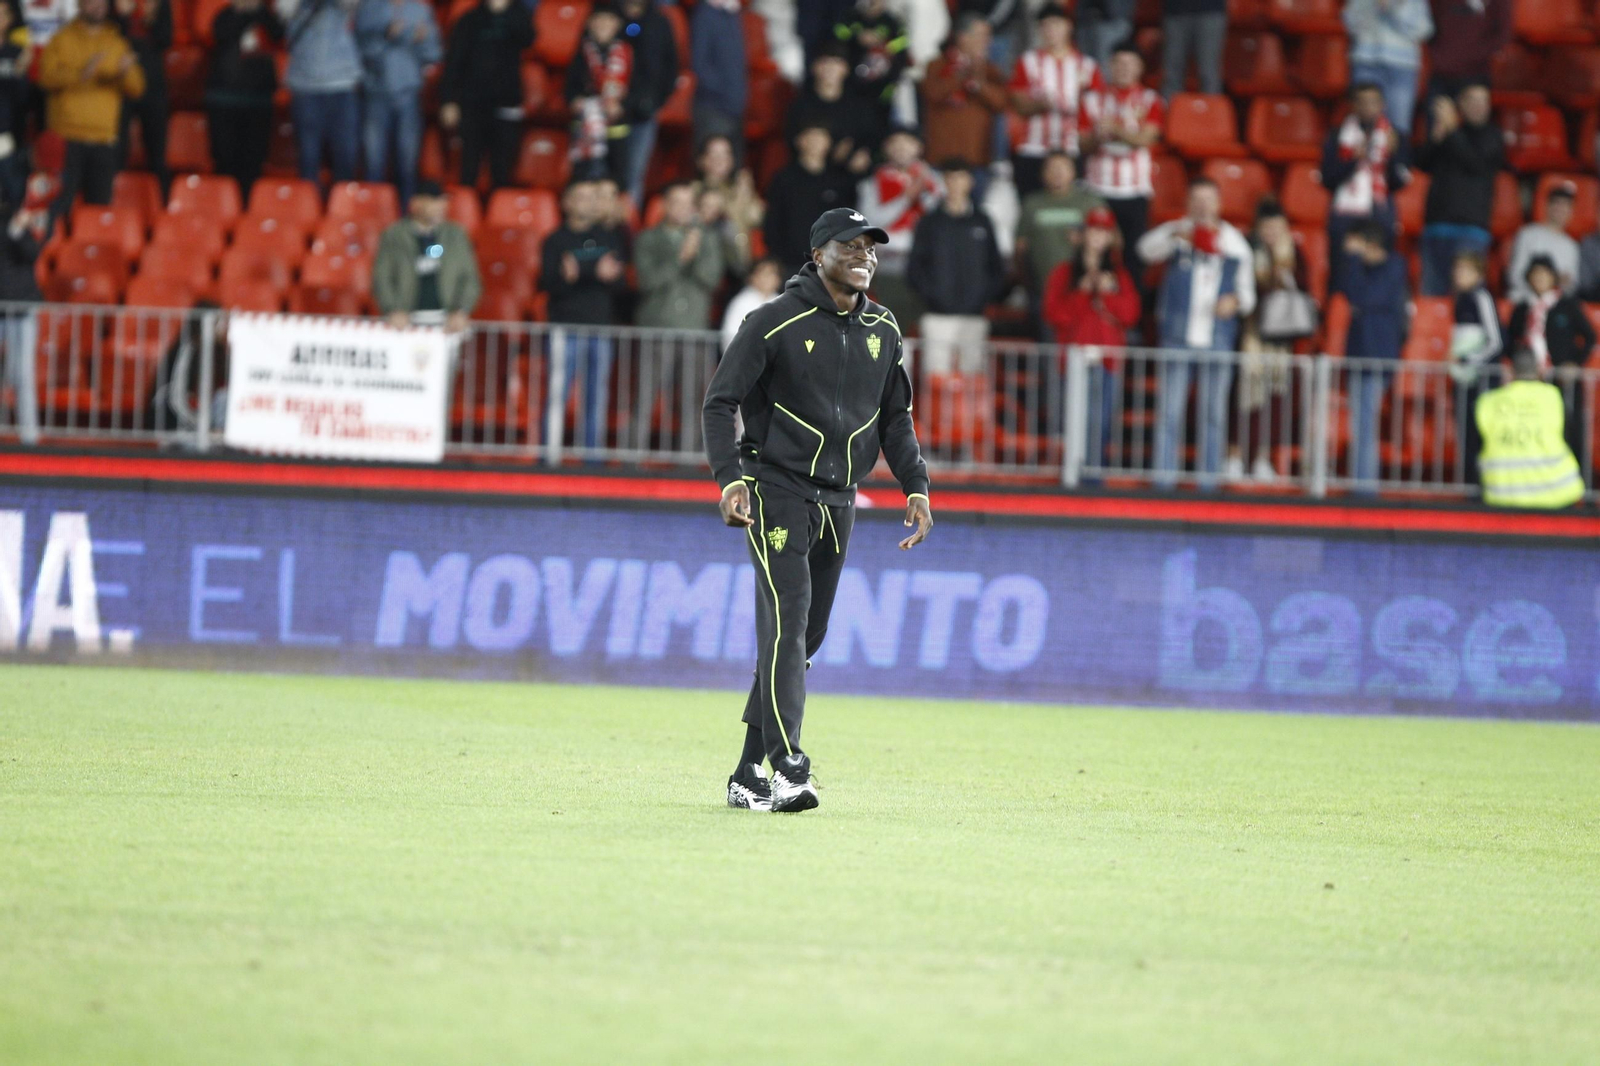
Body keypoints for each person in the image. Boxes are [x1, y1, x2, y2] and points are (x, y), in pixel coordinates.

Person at [701, 206, 932, 813]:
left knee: (803, 637)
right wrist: (730, 480)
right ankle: (787, 767)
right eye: (850, 245)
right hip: (776, 491)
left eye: (871, 248)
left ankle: (746, 770)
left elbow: (896, 418)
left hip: (841, 500)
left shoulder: (884, 327)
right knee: (788, 616)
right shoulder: (772, 321)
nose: (864, 255)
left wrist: (915, 485)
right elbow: (719, 402)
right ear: (818, 254)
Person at [1137, 176, 1255, 488]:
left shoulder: (1233, 241)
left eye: (1208, 200)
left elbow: (1248, 294)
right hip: (1177, 334)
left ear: (1219, 204)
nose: (1203, 206)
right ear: (1189, 203)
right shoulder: (1176, 233)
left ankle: (1208, 481)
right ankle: (1163, 478)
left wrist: (1235, 301)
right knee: (1169, 412)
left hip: (1217, 337)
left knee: (1213, 414)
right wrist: (1177, 233)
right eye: (1197, 199)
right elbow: (1146, 250)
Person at [1041, 206, 1139, 464]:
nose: (1097, 237)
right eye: (1093, 230)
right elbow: (1053, 313)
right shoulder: (1064, 272)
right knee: (1071, 422)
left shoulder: (1119, 275)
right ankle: (1071, 475)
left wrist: (1107, 293)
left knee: (1102, 423)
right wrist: (1083, 293)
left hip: (1106, 359)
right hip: (1072, 359)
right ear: (1084, 235)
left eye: (1103, 232)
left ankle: (1093, 477)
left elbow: (1130, 315)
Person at [539, 178, 628, 451]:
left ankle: (593, 460)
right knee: (558, 395)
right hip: (564, 328)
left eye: (592, 197)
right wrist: (593, 273)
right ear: (566, 202)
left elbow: (619, 283)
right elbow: (547, 283)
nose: (587, 203)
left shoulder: (609, 237)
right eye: (580, 197)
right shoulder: (555, 240)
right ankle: (549, 457)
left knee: (596, 397)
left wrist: (579, 273)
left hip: (600, 329)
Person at [36, 0, 145, 213]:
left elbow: (138, 88)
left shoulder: (115, 43)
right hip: (67, 138)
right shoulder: (61, 39)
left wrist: (125, 74)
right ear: (80, 4)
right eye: (92, 1)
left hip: (103, 139)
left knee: (99, 207)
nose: (98, 6)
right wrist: (81, 74)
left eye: (102, 2)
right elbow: (44, 78)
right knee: (60, 206)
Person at [1231, 199, 1310, 482]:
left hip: (1280, 340)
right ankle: (1236, 456)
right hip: (1252, 335)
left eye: (1277, 227)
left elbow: (1305, 291)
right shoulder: (1247, 250)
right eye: (1266, 228)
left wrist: (1285, 277)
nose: (1271, 233)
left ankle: (1263, 458)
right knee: (1245, 399)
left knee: (1273, 402)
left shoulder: (1294, 254)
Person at [907, 159, 1005, 377]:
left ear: (970, 182)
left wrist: (982, 298)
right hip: (936, 315)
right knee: (935, 377)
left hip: (974, 315)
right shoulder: (929, 222)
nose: (955, 183)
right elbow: (915, 268)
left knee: (972, 378)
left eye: (961, 177)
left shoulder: (983, 221)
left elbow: (996, 267)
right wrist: (933, 297)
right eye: (950, 178)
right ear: (943, 181)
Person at [1077, 41, 1163, 277]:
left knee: (1133, 256)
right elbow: (1082, 144)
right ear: (1110, 66)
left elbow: (1146, 138)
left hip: (1135, 190)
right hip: (1097, 190)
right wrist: (1098, 136)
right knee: (1096, 253)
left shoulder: (1149, 99)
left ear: (1140, 68)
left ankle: (1130, 310)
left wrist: (1113, 129)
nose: (1123, 68)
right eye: (1118, 63)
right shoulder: (1091, 100)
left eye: (1129, 63)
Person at [1507, 254, 1597, 468]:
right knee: (1535, 427)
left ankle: (1580, 483)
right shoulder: (1522, 308)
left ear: (1553, 277)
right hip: (1531, 381)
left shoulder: (1567, 305)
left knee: (1571, 428)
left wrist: (1574, 364)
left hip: (1563, 380)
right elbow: (1509, 340)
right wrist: (1523, 367)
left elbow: (1590, 336)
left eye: (1544, 274)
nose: (1539, 279)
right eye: (1535, 274)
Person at [1414, 81, 1501, 297]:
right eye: (1472, 100)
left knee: (1467, 298)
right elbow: (1422, 163)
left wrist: (1452, 130)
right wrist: (1436, 136)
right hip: (1436, 226)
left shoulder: (1493, 136)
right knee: (1432, 296)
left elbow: (1475, 163)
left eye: (1483, 101)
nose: (1479, 106)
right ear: (1461, 104)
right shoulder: (1450, 132)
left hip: (1470, 229)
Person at [1340, 219, 1408, 492]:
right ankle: (1361, 483)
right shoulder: (1361, 269)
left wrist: (1354, 259)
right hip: (1358, 354)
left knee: (1366, 424)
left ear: (1371, 244)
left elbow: (1363, 297)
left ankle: (1365, 488)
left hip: (1377, 357)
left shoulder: (1394, 267)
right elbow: (1349, 292)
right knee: (1360, 423)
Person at [1322, 81, 1407, 297]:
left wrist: (1393, 155)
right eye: (1362, 102)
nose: (1368, 107)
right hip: (1345, 217)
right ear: (1353, 106)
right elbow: (1328, 178)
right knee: (1342, 277)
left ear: (1382, 105)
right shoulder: (1337, 135)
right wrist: (1352, 160)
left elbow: (1399, 182)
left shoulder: (1394, 136)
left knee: (1380, 278)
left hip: (1380, 215)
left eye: (1373, 102)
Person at [1007, 4, 1101, 200]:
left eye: (1056, 25)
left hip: (1071, 149)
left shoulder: (1087, 66)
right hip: (1034, 149)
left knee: (1069, 211)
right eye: (1045, 26)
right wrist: (1040, 105)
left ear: (1069, 27)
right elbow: (1017, 103)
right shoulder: (1028, 62)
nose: (1051, 31)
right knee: (1031, 208)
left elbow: (1097, 110)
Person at [1476, 347, 1585, 508]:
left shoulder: (1488, 402)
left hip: (1502, 494)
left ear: (1509, 371)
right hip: (1556, 493)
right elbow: (1572, 439)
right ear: (1539, 370)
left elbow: (1476, 446)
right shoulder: (1553, 397)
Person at [438, 0, 530, 192]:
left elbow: (529, 38)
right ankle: (467, 214)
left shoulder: (519, 15)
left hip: (507, 103)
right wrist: (448, 100)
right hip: (472, 104)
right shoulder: (468, 20)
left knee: (502, 170)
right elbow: (454, 62)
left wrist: (505, 12)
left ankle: (499, 214)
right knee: (468, 168)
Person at [355, 0, 439, 205]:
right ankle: (371, 213)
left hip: (408, 94)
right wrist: (386, 37)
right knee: (374, 163)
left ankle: (407, 220)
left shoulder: (420, 10)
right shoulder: (368, 8)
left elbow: (433, 53)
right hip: (376, 94)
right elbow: (358, 51)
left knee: (407, 165)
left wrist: (421, 41)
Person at [855, 124, 940, 321]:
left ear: (919, 147)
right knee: (891, 321)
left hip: (927, 262)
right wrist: (906, 198)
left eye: (908, 142)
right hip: (889, 263)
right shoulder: (872, 181)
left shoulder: (934, 180)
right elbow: (869, 220)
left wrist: (923, 190)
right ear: (886, 148)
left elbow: (938, 218)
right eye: (895, 143)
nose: (901, 148)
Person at [1015, 151, 1105, 334]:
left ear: (1074, 172)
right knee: (1049, 352)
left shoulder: (1089, 202)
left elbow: (1113, 239)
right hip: (1044, 291)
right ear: (1042, 173)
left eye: (1063, 167)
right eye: (1051, 168)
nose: (1057, 173)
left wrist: (1085, 239)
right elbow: (1020, 247)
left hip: (1083, 292)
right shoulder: (1032, 203)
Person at [372, 180, 480, 332]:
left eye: (443, 200)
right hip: (405, 323)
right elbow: (382, 277)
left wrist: (461, 310)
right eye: (433, 201)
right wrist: (392, 309)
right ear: (415, 203)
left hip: (447, 322)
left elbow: (470, 278)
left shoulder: (456, 235)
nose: (440, 206)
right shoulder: (394, 235)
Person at [204, 0, 283, 199]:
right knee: (224, 162)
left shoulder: (266, 15)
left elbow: (279, 35)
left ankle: (248, 214)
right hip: (225, 101)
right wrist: (243, 13)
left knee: (253, 164)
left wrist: (259, 12)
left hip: (258, 101)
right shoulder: (225, 15)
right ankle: (224, 206)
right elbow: (222, 35)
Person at [920, 14, 1007, 191]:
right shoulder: (937, 66)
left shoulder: (991, 70)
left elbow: (1001, 103)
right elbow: (933, 93)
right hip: (941, 160)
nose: (987, 41)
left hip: (977, 161)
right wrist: (961, 75)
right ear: (962, 37)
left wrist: (978, 84)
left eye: (988, 36)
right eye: (981, 35)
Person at [285, 0, 361, 187]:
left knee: (345, 156)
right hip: (306, 85)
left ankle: (342, 211)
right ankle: (308, 209)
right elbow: (284, 10)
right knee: (308, 157)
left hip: (341, 84)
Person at [762, 123, 856, 271]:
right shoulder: (783, 179)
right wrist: (778, 257)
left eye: (820, 136)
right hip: (789, 264)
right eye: (809, 136)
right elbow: (773, 221)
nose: (815, 142)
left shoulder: (841, 181)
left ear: (829, 142)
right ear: (798, 141)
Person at [634, 181, 724, 331]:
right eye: (677, 202)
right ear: (664, 204)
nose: (684, 209)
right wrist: (680, 258)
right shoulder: (647, 239)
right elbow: (646, 281)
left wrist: (696, 255)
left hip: (695, 327)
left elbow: (712, 279)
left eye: (689, 203)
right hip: (657, 327)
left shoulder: (707, 238)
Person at [614, 0, 678, 206]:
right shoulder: (608, 16)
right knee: (603, 175)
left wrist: (656, 100)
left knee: (634, 175)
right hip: (609, 112)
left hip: (643, 113)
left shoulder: (659, 22)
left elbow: (672, 66)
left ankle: (626, 230)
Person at [786, 39, 876, 179]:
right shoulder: (800, 106)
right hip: (812, 175)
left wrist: (857, 153)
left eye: (836, 63)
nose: (830, 68)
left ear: (845, 69)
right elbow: (793, 141)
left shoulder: (859, 106)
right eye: (825, 62)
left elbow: (870, 138)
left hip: (850, 175)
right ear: (814, 67)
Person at [565, 2, 633, 187]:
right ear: (590, 23)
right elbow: (570, 88)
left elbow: (638, 88)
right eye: (598, 20)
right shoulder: (581, 53)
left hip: (616, 127)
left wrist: (622, 105)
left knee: (616, 180)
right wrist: (575, 100)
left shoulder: (627, 53)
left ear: (617, 24)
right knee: (583, 177)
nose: (603, 25)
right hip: (586, 128)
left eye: (608, 21)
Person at [1448, 250, 1501, 485]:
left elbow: (1496, 341)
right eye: (1457, 269)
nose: (1459, 275)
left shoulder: (1482, 297)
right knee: (1466, 433)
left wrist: (1469, 361)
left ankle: (1484, 485)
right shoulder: (1461, 299)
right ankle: (1470, 484)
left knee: (1481, 434)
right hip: (1464, 379)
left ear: (1479, 274)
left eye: (1465, 270)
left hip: (1481, 380)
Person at [1342, 0, 1431, 139]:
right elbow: (1350, 23)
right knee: (1361, 122)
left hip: (1402, 66)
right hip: (1366, 62)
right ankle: (1359, 159)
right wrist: (1372, 5)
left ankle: (1398, 161)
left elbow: (1424, 30)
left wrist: (1394, 7)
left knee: (1398, 126)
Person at [112, 0, 170, 198]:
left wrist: (149, 19)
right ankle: (113, 200)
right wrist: (123, 16)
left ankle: (160, 203)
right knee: (117, 151)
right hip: (120, 84)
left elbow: (166, 39)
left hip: (153, 85)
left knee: (157, 153)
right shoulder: (116, 3)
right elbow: (106, 37)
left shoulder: (159, 3)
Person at [0, 190, 44, 444]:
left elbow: (32, 253)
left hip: (22, 309)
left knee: (22, 374)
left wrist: (17, 228)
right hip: (2, 308)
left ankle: (29, 436)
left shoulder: (18, 220)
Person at [693, 135, 764, 278]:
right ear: (701, 160)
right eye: (714, 154)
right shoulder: (692, 191)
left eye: (726, 153)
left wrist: (746, 195)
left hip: (738, 268)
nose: (720, 159)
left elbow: (757, 218)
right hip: (703, 267)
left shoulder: (740, 190)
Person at [1424, 0, 1510, 115]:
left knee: (1473, 128)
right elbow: (1429, 21)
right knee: (1436, 128)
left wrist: (1472, 55)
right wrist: (1439, 54)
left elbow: (1503, 34)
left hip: (1475, 75)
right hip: (1441, 73)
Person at [831, 0, 909, 123]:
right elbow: (838, 32)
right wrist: (857, 36)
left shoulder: (891, 21)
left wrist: (883, 44)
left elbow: (902, 42)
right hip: (852, 84)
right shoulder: (852, 17)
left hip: (882, 85)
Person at [1507, 182, 1580, 303]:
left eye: (1566, 205)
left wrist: (1563, 283)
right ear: (1547, 206)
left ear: (1571, 211)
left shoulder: (1572, 246)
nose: (1561, 209)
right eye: (1557, 203)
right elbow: (1515, 276)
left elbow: (1572, 286)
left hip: (1555, 305)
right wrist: (1538, 283)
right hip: (1524, 300)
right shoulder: (1528, 234)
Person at [690, 0, 745, 156]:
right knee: (712, 166)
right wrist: (725, 91)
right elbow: (699, 64)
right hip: (713, 107)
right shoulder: (704, 16)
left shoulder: (732, 15)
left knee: (731, 169)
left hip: (735, 107)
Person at [0, 0, 33, 208]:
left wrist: (21, 74)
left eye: (2, 14)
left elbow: (24, 101)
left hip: (6, 137)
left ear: (10, 20)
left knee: (12, 198)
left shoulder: (16, 52)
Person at [1161, 0, 1225, 98]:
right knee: (1172, 73)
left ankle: (1211, 111)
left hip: (1210, 10)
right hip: (1175, 11)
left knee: (1208, 73)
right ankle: (1170, 111)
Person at [720, 255, 781, 352]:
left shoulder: (782, 301)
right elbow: (729, 336)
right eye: (764, 273)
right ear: (753, 277)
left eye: (772, 274)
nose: (768, 278)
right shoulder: (741, 302)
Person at [1076, 0, 1134, 72]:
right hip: (1086, 20)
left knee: (1104, 63)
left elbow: (1114, 10)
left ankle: (1105, 82)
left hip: (1112, 21)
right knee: (1085, 63)